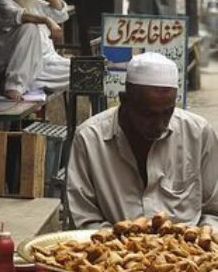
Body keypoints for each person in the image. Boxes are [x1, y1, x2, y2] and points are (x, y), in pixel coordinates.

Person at [66, 51, 218, 230]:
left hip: (189, 253)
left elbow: (213, 210)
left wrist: (198, 242)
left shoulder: (198, 133)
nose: (160, 124)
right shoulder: (89, 138)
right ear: (124, 101)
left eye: (167, 112)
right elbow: (84, 218)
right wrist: (126, 247)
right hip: (112, 250)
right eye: (148, 114)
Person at [0, 0, 70, 101]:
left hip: (43, 62)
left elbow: (60, 13)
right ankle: (13, 85)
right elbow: (21, 16)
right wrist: (47, 21)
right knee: (29, 27)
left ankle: (29, 82)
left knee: (80, 72)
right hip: (10, 61)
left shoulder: (30, 0)